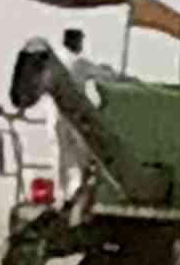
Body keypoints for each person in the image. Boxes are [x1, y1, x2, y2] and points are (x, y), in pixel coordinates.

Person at [52, 26, 126, 200]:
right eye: (80, 41)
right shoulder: (79, 62)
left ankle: (62, 194)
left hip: (54, 115)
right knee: (82, 154)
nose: (81, 45)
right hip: (73, 115)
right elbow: (105, 76)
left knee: (60, 155)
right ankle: (79, 191)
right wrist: (116, 73)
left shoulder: (54, 61)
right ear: (74, 42)